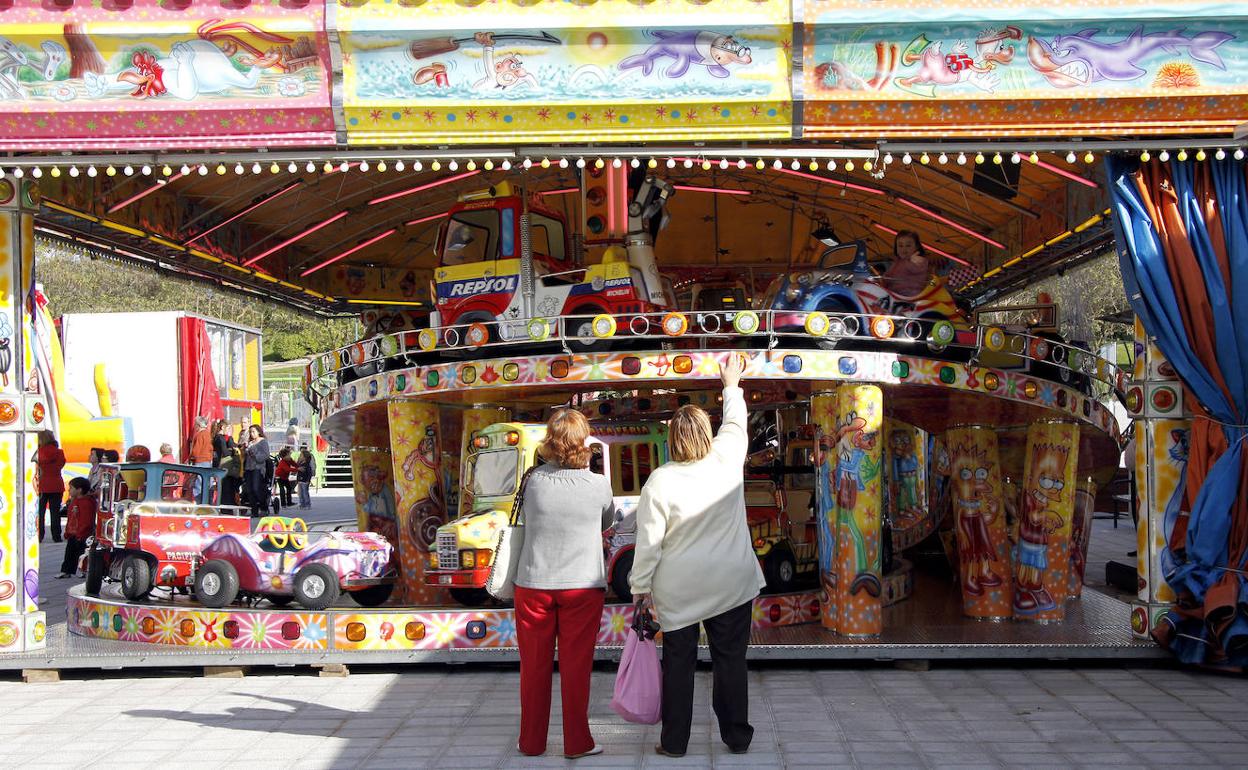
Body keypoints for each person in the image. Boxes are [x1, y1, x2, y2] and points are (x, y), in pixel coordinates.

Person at [630, 354, 765, 758]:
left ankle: (674, 742)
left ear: (672, 440)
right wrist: (730, 384)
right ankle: (737, 737)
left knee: (678, 663)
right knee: (730, 661)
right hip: (731, 582)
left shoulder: (660, 480)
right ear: (707, 434)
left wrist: (640, 587)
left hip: (679, 588)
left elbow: (649, 541)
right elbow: (736, 421)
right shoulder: (727, 459)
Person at [513, 409, 614, 759]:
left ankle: (531, 742)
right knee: (576, 667)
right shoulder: (599, 484)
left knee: (534, 666)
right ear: (583, 440)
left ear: (550, 441)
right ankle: (577, 742)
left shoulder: (532, 480)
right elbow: (605, 520)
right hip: (583, 585)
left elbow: (526, 518)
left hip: (533, 582)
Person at [59, 477, 96, 579]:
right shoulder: (73, 501)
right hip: (73, 533)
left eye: (71, 488)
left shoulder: (87, 503)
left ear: (79, 490)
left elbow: (87, 519)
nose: (69, 490)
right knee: (69, 553)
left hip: (83, 534)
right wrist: (67, 531)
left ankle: (83, 570)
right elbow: (70, 518)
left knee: (82, 553)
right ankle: (66, 571)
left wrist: (82, 532)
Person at [33, 430, 67, 542]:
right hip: (56, 483)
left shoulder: (38, 452)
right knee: (55, 512)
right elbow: (61, 465)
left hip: (42, 485)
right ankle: (56, 536)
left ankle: (39, 535)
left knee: (40, 511)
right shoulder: (59, 452)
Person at [880, 229, 933, 297]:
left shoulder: (919, 259)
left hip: (911, 296)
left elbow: (916, 268)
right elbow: (889, 275)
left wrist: (912, 262)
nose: (904, 249)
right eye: (900, 245)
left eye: (908, 245)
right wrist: (882, 280)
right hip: (896, 295)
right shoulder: (897, 262)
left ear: (917, 247)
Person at [243, 424, 271, 518]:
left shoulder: (263, 442)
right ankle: (254, 510)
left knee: (256, 488)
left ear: (258, 432)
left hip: (258, 468)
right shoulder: (250, 442)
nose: (252, 434)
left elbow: (266, 455)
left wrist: (255, 454)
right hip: (248, 467)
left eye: (253, 431)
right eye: (250, 432)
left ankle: (264, 507)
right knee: (249, 490)